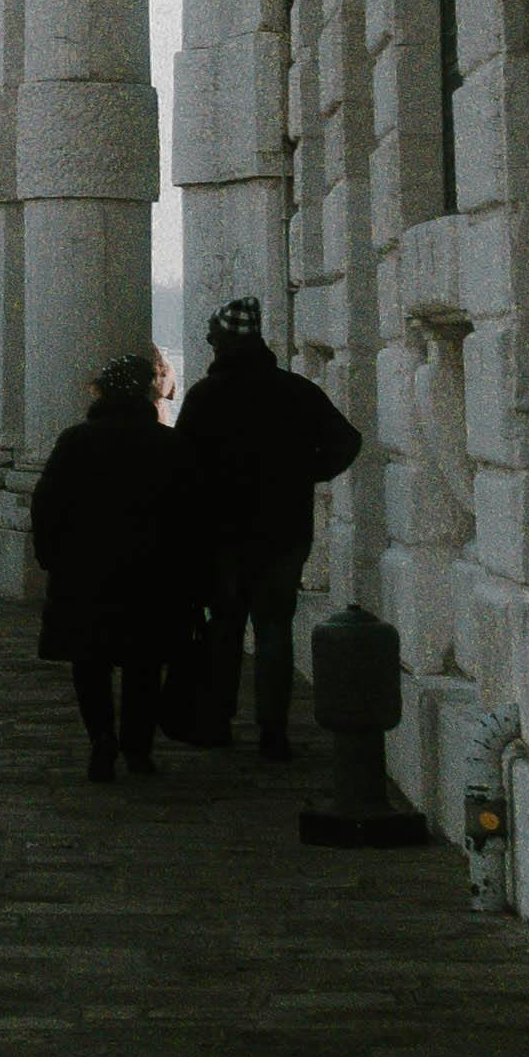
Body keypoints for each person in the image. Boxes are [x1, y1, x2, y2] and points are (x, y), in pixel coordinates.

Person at [171, 296, 363, 756]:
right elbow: (346, 441)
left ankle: (219, 721)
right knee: (275, 628)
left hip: (222, 535)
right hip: (284, 532)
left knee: (225, 627)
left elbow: (181, 468)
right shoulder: (295, 391)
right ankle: (273, 731)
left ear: (221, 343)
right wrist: (306, 472)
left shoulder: (205, 397)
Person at [29, 349, 199, 781]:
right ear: (147, 393)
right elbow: (191, 515)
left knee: (90, 660)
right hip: (152, 574)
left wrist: (50, 555)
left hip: (85, 571)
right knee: (145, 663)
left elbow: (47, 504)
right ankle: (138, 749)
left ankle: (101, 738)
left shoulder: (75, 441)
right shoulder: (169, 445)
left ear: (101, 392)